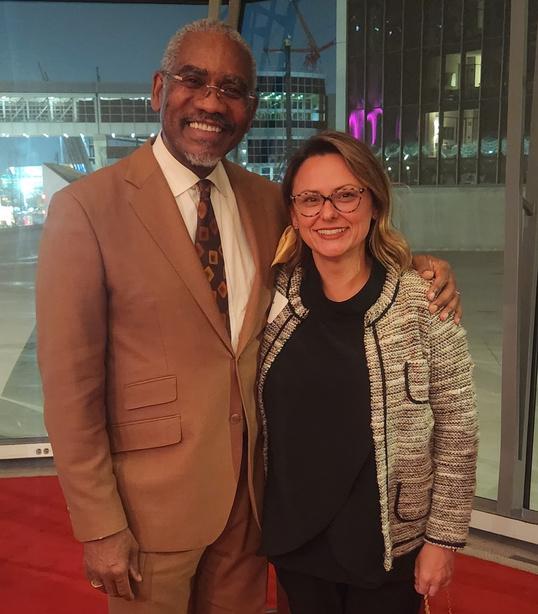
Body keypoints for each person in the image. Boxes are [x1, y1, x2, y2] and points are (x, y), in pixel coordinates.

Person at [36, 19, 461, 614]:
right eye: (194, 80)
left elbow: (339, 238)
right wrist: (99, 523)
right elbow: (70, 388)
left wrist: (416, 267)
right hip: (148, 511)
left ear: (251, 108)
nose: (212, 102)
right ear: (159, 89)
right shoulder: (86, 208)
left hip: (254, 506)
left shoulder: (266, 201)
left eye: (232, 89)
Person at [258, 131, 478, 614]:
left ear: (374, 203)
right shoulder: (270, 300)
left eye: (346, 195)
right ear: (293, 213)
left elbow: (457, 430)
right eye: (310, 199)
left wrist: (443, 539)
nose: (328, 213)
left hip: (388, 549)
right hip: (296, 541)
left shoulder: (422, 303)